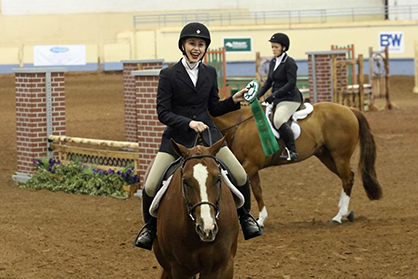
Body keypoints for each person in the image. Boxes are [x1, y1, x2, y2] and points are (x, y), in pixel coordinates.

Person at [133, 22, 262, 251]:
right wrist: (188, 122)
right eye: (192, 43)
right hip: (178, 139)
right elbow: (163, 113)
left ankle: (246, 219)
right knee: (151, 185)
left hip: (209, 137)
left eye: (201, 44)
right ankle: (149, 229)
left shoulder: (209, 72)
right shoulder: (169, 75)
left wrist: (233, 100)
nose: (196, 48)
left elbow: (212, 107)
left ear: (205, 48)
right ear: (183, 45)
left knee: (241, 175)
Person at [257, 33, 303, 162]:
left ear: (284, 48)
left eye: (276, 47)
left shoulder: (289, 62)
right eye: (272, 47)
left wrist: (274, 95)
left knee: (278, 120)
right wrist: (258, 95)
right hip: (277, 98)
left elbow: (291, 83)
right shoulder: (273, 62)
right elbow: (269, 82)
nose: (273, 49)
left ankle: (292, 150)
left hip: (290, 98)